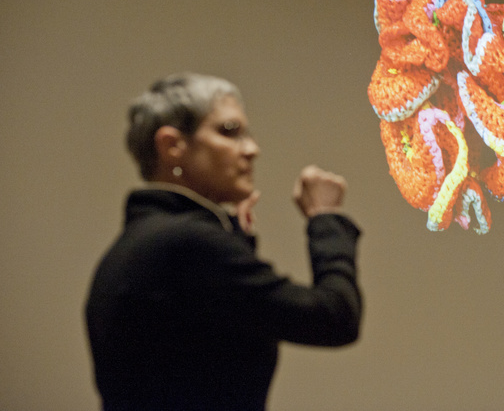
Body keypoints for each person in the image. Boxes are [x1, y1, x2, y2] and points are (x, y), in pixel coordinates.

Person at [85, 73, 362, 411]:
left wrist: (233, 240)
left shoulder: (143, 242)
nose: (252, 149)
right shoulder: (188, 245)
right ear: (172, 146)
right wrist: (325, 220)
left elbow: (207, 355)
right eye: (230, 132)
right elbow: (333, 318)